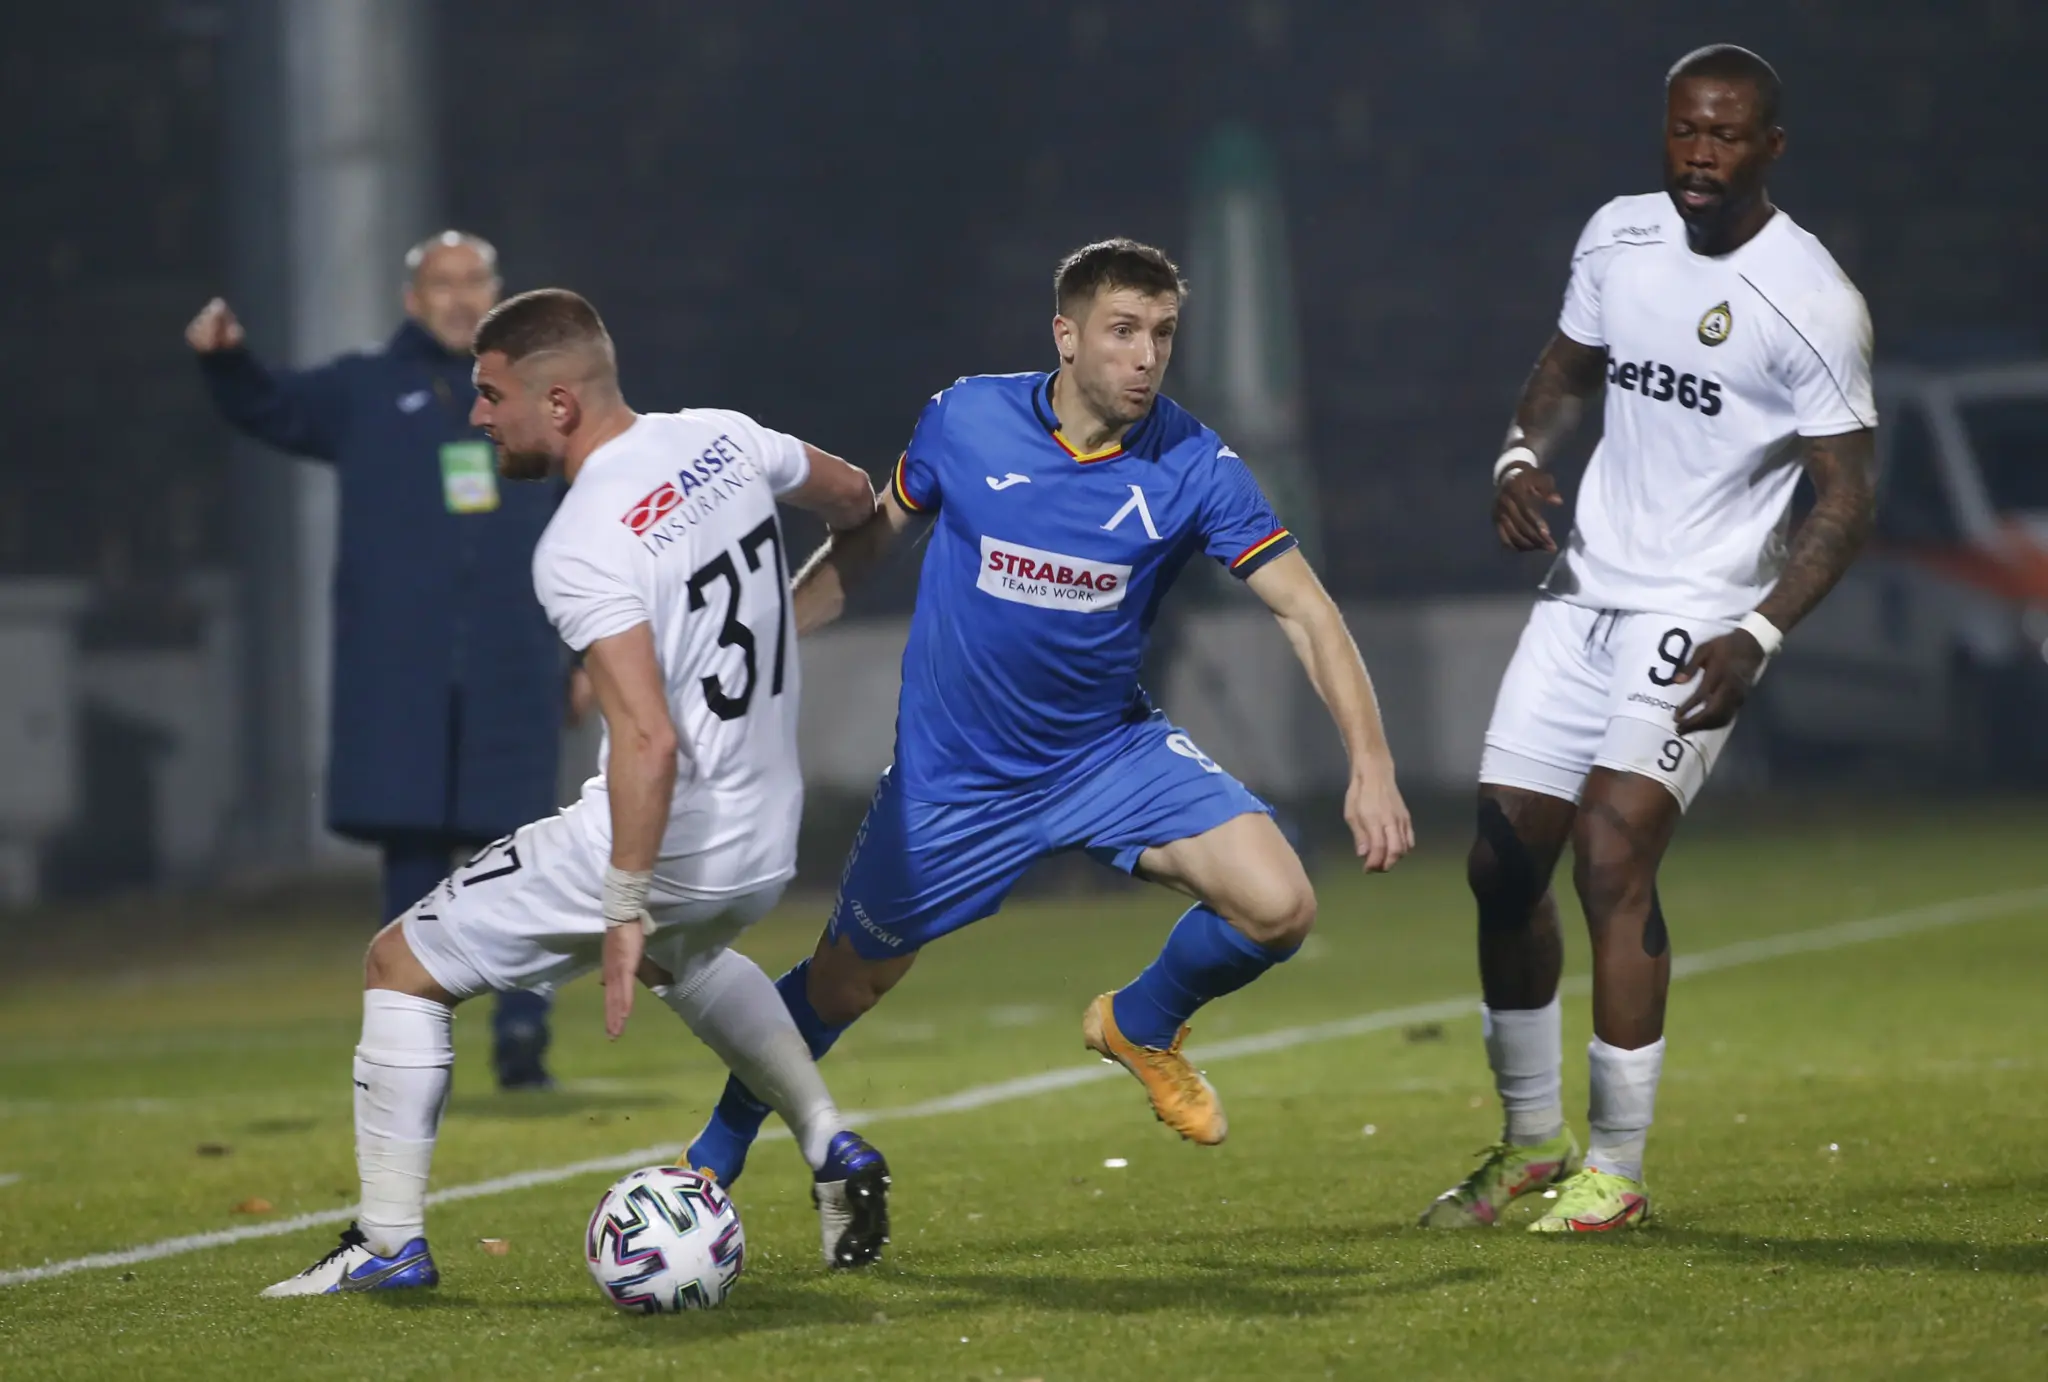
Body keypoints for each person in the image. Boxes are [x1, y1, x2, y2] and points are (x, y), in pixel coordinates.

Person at [686, 238, 1414, 1186]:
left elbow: (1307, 611)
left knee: (1280, 906)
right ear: (1066, 337)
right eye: (1124, 332)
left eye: (1162, 334)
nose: (1147, 357)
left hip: (1106, 756)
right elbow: (868, 549)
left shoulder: (1194, 465)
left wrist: (1372, 762)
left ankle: (1140, 1023)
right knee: (844, 985)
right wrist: (764, 644)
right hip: (956, 779)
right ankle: (711, 1160)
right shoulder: (967, 420)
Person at [261, 288, 892, 1296]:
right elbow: (859, 496)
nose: (478, 415)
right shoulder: (721, 436)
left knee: (398, 964)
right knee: (690, 959)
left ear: (557, 403)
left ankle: (386, 1243)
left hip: (668, 834)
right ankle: (828, 1140)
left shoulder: (580, 538)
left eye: (491, 394)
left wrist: (623, 901)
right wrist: (792, 610)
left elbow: (646, 737)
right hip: (765, 837)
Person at [1419, 45, 1877, 1233]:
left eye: (1723, 135)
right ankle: (1530, 1143)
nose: (1697, 155)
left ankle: (1615, 1171)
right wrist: (1516, 456)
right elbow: (1563, 370)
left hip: (1698, 610)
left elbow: (1844, 496)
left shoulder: (1810, 298)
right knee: (1498, 865)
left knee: (1611, 848)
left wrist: (1759, 630)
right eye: (1682, 130)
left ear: (1769, 146)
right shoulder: (1616, 236)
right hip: (1581, 595)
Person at [188, 232, 569, 1090]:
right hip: (404, 674)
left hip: (512, 664)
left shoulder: (535, 396)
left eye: (473, 281)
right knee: (412, 855)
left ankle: (523, 1029)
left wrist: (585, 655)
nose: (460, 298)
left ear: (498, 293)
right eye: (442, 284)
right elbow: (271, 405)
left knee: (524, 856)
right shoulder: (364, 387)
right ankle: (412, 1032)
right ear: (412, 298)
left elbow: (584, 521)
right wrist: (227, 360)